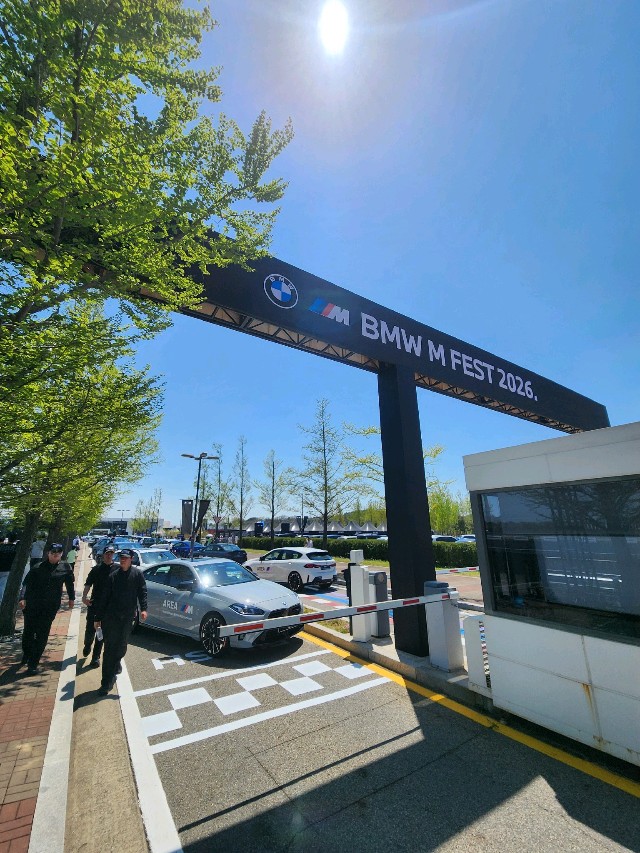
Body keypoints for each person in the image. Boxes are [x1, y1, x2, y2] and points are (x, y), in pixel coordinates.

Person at [93, 548, 147, 695]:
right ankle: (106, 682)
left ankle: (116, 663)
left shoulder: (137, 574)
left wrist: (143, 609)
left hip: (127, 618)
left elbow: (142, 592)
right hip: (111, 618)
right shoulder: (113, 576)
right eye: (121, 557)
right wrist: (97, 618)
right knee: (109, 649)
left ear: (131, 559)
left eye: (125, 558)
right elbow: (104, 598)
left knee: (121, 647)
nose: (122, 560)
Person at [18, 544, 75, 674]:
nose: (55, 555)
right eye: (53, 552)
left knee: (42, 634)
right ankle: (27, 653)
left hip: (50, 607)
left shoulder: (66, 567)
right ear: (48, 553)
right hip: (32, 606)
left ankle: (33, 663)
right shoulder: (38, 567)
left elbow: (69, 584)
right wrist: (22, 598)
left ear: (61, 554)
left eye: (58, 553)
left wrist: (71, 598)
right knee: (28, 633)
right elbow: (26, 584)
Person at [81, 544, 116, 667]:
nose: (109, 555)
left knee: (101, 633)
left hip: (108, 607)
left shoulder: (117, 569)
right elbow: (88, 584)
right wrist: (84, 597)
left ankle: (96, 657)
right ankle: (87, 645)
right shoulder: (96, 569)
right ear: (103, 555)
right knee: (90, 630)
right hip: (94, 604)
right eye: (107, 553)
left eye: (111, 553)